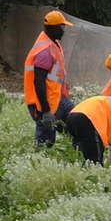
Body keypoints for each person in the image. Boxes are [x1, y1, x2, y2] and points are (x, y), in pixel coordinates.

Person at [23, 10, 73, 146]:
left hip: (59, 99)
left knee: (76, 125)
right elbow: (38, 82)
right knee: (46, 142)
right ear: (55, 28)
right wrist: (46, 111)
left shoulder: (53, 44)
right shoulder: (45, 51)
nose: (64, 31)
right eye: (63, 27)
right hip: (47, 104)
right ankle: (39, 162)